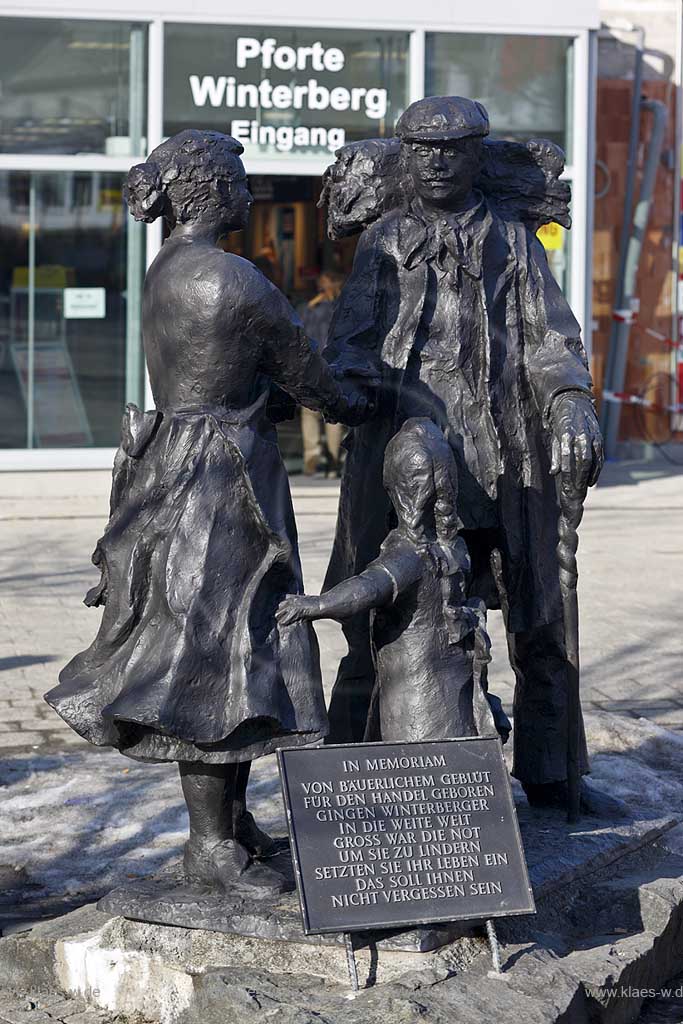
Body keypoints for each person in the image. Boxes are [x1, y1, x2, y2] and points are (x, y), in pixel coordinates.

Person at [45, 129, 369, 896]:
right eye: (236, 178)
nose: (248, 193)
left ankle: (235, 821)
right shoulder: (230, 279)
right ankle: (210, 846)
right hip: (220, 486)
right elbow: (310, 374)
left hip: (188, 471)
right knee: (211, 657)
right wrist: (368, 401)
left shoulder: (167, 269)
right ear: (201, 189)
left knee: (241, 649)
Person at [322, 96, 612, 814]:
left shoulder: (515, 242)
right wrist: (343, 388)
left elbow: (550, 340)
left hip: (502, 453)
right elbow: (351, 343)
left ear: (476, 155)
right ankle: (346, 775)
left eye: (451, 149)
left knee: (540, 613)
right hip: (403, 456)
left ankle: (550, 774)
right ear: (407, 156)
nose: (436, 160)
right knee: (371, 620)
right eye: (422, 149)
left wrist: (569, 397)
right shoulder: (383, 241)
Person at [277, 418, 506, 744]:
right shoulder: (454, 547)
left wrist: (315, 605)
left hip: (416, 697)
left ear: (396, 489)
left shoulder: (406, 556)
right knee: (452, 763)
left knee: (420, 771)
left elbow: (368, 588)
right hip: (455, 685)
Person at [299, 270, 346, 475]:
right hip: (336, 365)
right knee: (333, 413)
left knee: (310, 413)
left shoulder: (311, 308)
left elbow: (299, 333)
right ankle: (334, 458)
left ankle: (313, 456)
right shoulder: (343, 307)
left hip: (312, 365)